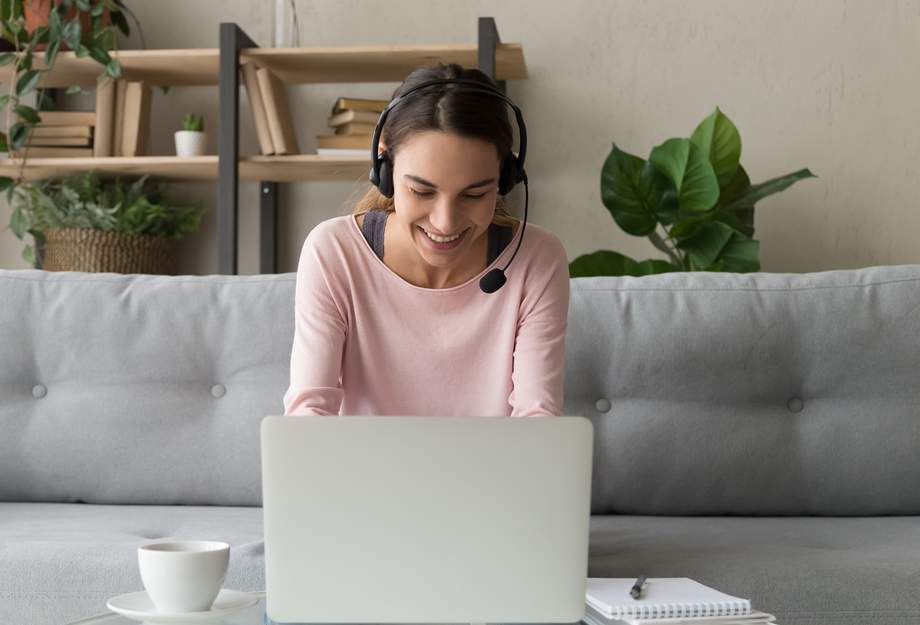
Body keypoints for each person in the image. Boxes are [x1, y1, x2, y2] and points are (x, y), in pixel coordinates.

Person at [282, 62, 570, 417]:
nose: (445, 222)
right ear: (384, 167)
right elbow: (307, 417)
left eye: (474, 195)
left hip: (494, 474)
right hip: (361, 474)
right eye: (422, 191)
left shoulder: (537, 259)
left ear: (505, 177)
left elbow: (538, 420)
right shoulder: (334, 252)